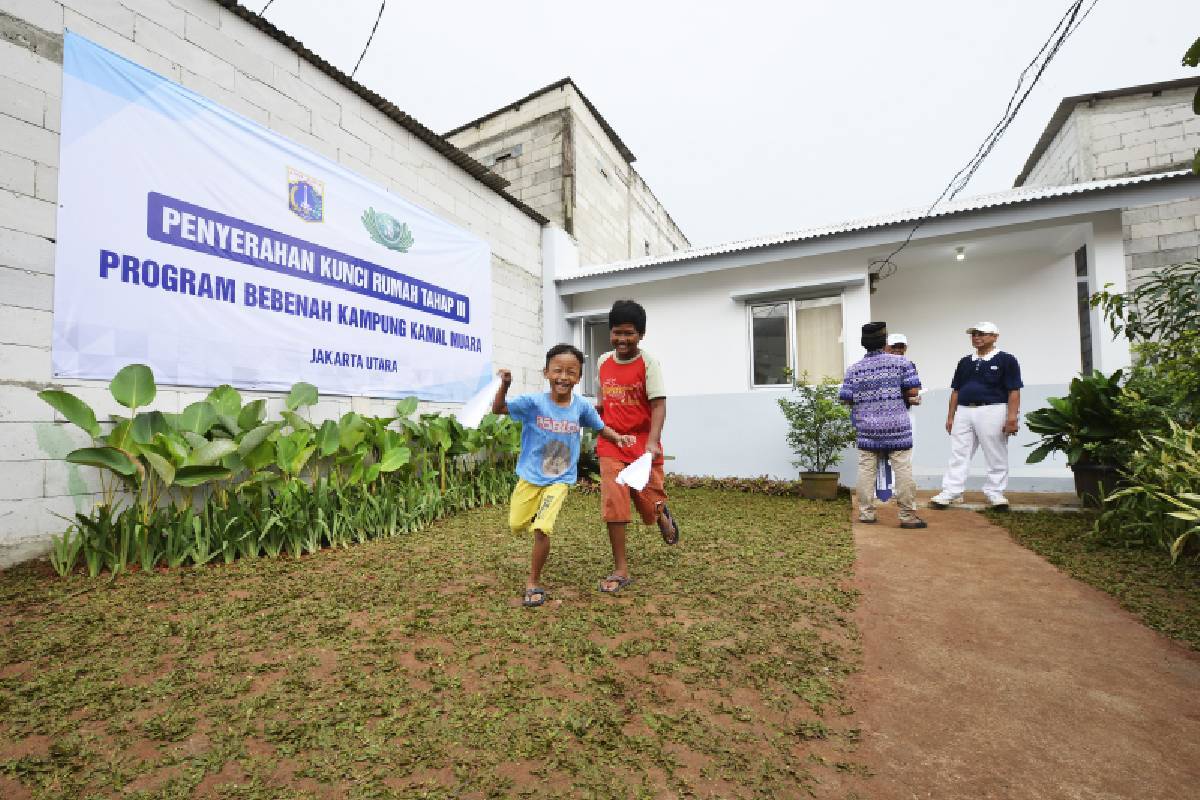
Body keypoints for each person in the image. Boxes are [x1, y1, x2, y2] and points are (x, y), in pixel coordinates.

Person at [493, 344, 635, 607]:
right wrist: (506, 385)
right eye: (557, 370)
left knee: (542, 529)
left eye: (571, 372)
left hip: (560, 479)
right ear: (546, 372)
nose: (563, 377)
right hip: (531, 477)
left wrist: (619, 438)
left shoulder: (580, 407)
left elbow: (601, 428)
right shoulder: (533, 403)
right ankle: (536, 515)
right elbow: (498, 409)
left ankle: (533, 583)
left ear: (579, 377)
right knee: (515, 524)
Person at [595, 299, 680, 595]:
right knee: (615, 502)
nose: (622, 339)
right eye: (617, 332)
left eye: (629, 333)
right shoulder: (603, 362)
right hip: (611, 445)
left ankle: (662, 515)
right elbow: (602, 400)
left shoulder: (649, 363)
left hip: (643, 448)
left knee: (648, 507)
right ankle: (621, 569)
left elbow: (659, 404)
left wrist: (653, 441)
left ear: (641, 335)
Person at [839, 321, 927, 528]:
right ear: (884, 341)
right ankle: (907, 516)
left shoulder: (854, 369)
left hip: (867, 428)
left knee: (866, 470)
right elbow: (913, 391)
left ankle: (866, 513)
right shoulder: (901, 363)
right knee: (903, 469)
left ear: (863, 343)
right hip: (897, 426)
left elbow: (846, 397)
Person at [929, 321, 1023, 511]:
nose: (977, 337)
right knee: (959, 452)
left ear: (995, 337)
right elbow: (956, 390)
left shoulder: (1006, 360)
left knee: (995, 451)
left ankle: (995, 493)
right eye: (974, 334)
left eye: (982, 334)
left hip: (993, 409)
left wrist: (1012, 418)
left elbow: (1014, 390)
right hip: (964, 410)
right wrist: (950, 416)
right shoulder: (965, 362)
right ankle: (951, 491)